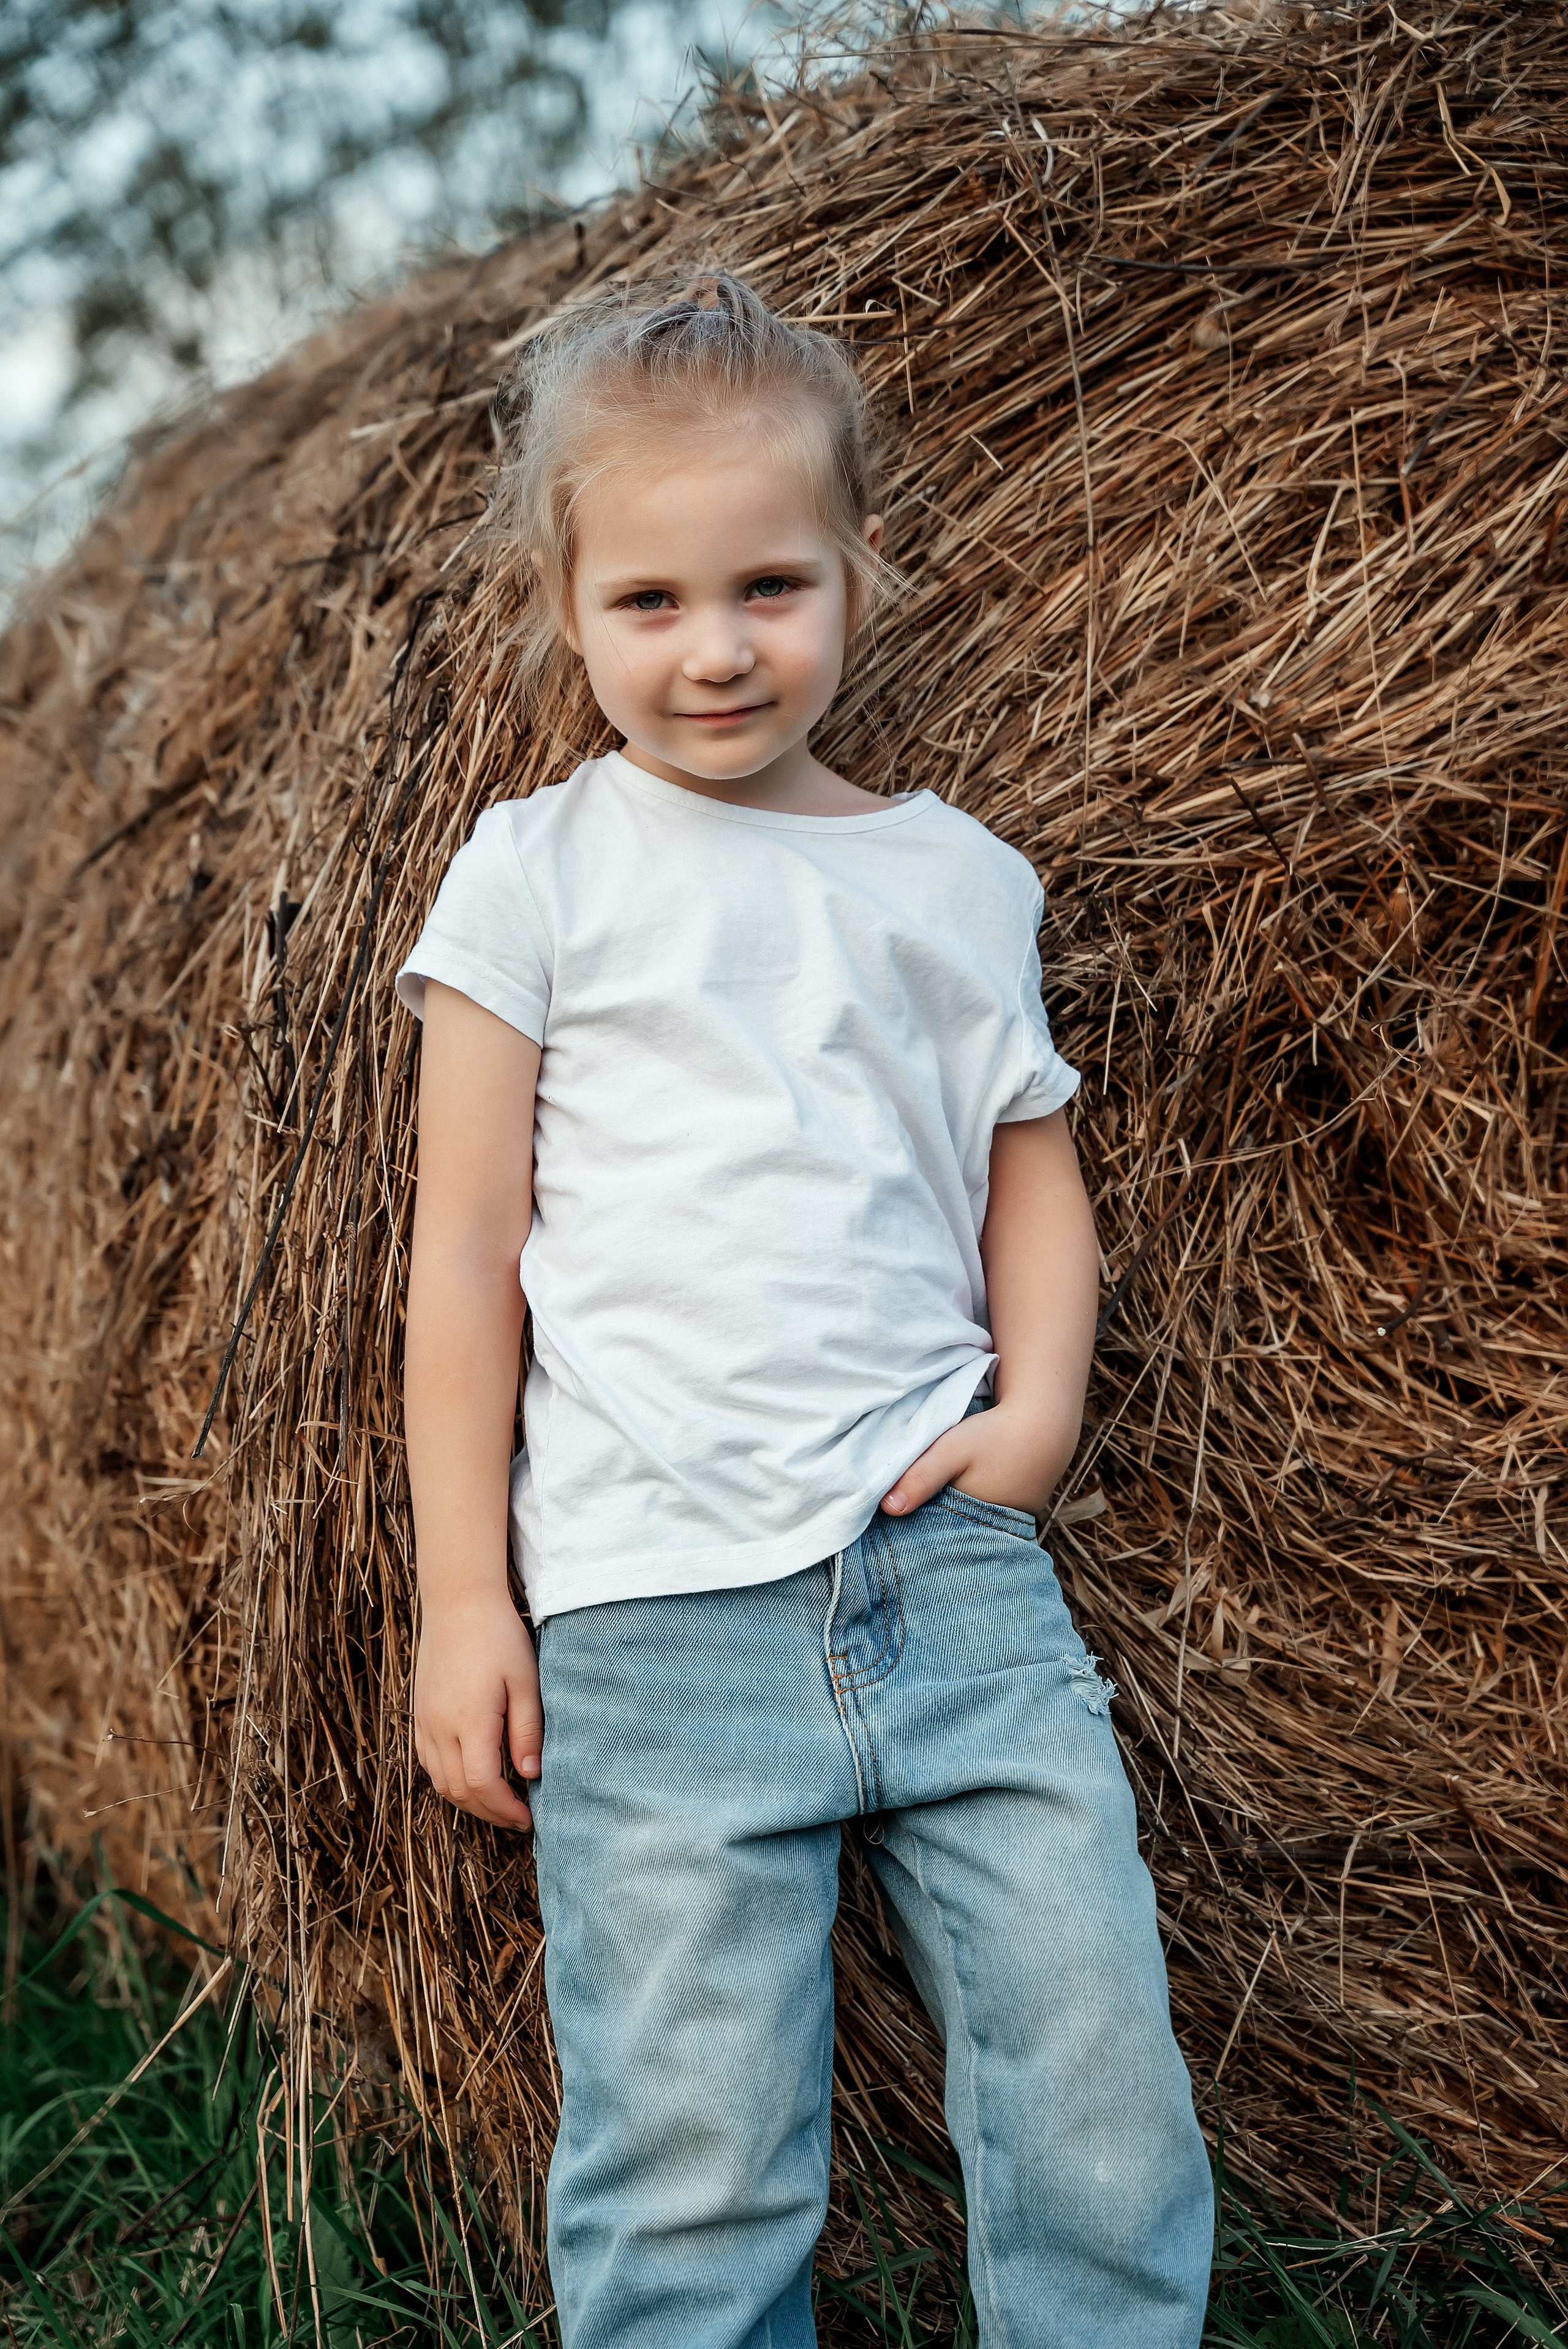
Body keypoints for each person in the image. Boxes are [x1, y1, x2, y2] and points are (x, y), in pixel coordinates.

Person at [397, 271, 1212, 2349]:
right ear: (568, 609)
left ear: (857, 574)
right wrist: (465, 1596)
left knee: (1099, 2088)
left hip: (950, 1575)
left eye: (771, 583)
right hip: (651, 1614)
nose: (719, 647)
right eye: (650, 601)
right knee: (688, 2161)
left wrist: (1037, 1417)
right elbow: (464, 1245)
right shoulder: (537, 871)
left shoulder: (957, 877)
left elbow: (1032, 1175)